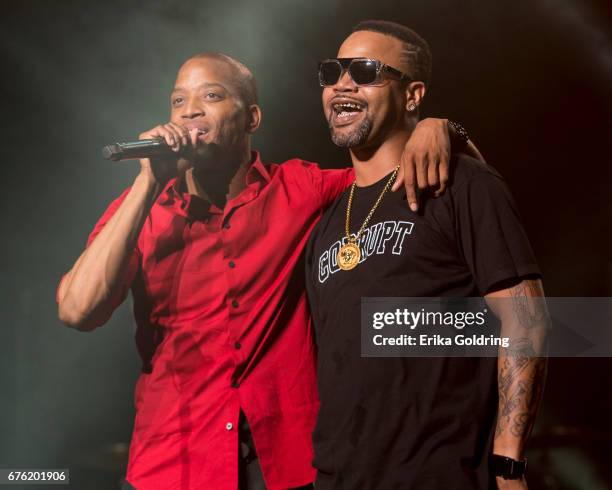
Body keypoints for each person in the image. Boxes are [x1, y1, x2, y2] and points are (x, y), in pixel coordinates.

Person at [56, 52, 481, 489]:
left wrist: (444, 128)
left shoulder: (302, 189)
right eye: (178, 101)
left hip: (286, 464)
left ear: (251, 118)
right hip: (172, 465)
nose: (190, 111)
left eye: (212, 96)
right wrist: (146, 183)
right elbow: (78, 311)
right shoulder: (142, 212)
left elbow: (440, 178)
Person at [305, 20, 549, 489]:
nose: (342, 84)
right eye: (333, 71)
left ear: (412, 95)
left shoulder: (463, 185)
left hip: (440, 476)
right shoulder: (326, 224)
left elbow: (529, 320)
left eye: (366, 71)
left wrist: (509, 464)